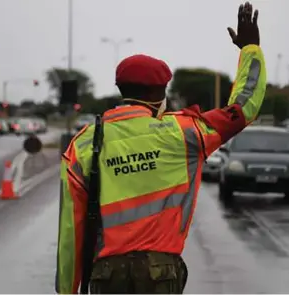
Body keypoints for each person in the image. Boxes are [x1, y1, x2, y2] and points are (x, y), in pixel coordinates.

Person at [55, 1, 266, 293]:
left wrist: (68, 290)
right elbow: (245, 107)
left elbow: (71, 228)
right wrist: (250, 49)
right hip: (160, 273)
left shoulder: (83, 143)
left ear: (121, 89)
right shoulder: (185, 133)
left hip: (106, 275)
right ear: (159, 93)